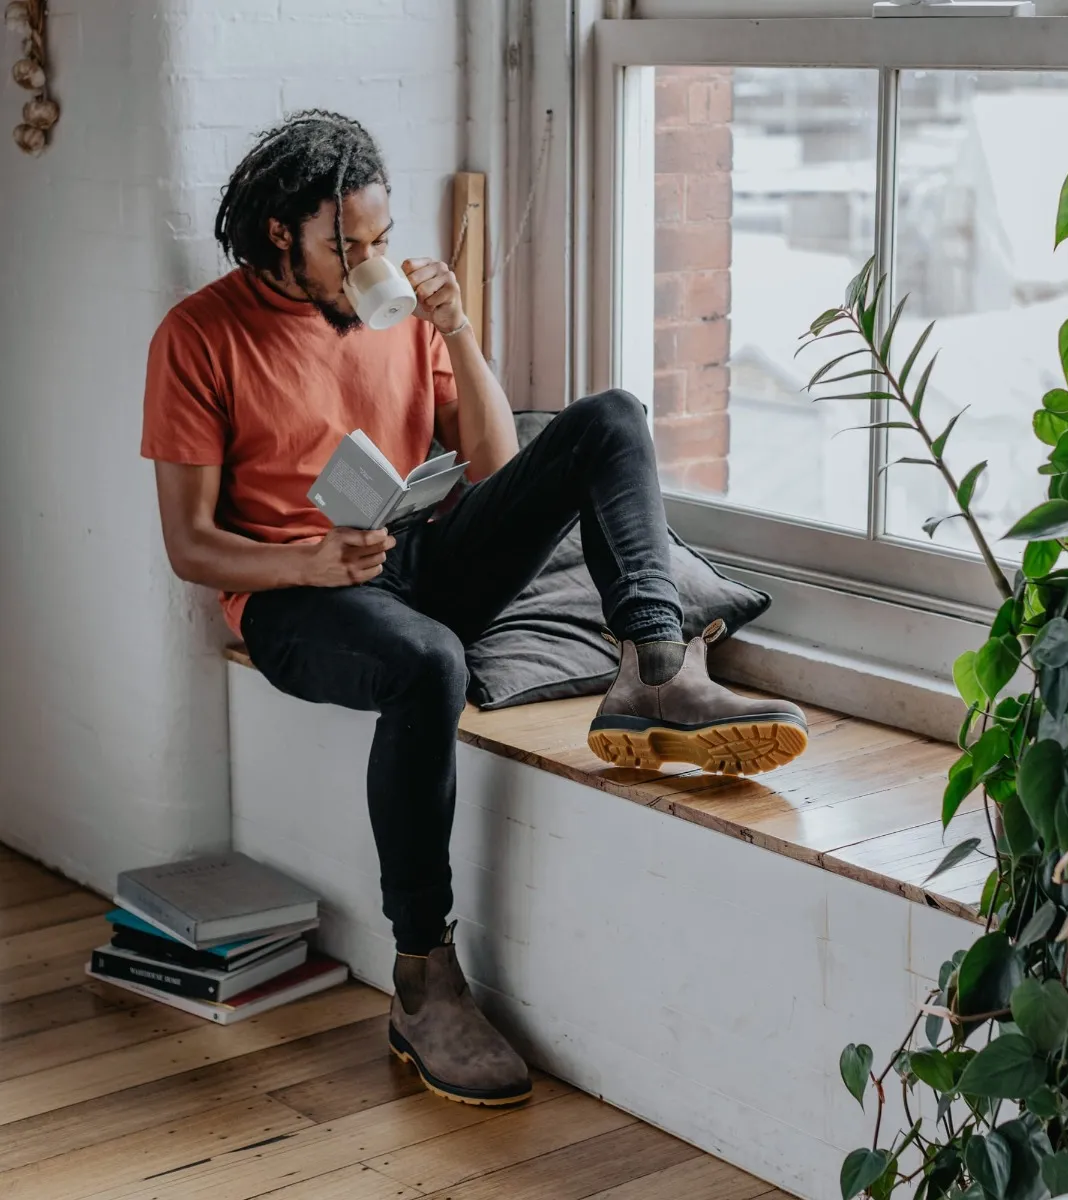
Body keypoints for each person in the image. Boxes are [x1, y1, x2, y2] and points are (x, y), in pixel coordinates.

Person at [142, 110, 808, 1108]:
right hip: (297, 596)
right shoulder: (200, 334)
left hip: (420, 551)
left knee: (611, 419)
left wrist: (453, 325)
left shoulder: (398, 313)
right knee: (431, 664)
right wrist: (313, 562)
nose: (371, 260)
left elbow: (496, 466)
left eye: (379, 236)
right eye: (346, 245)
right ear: (282, 234)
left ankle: (656, 670)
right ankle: (423, 977)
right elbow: (191, 546)